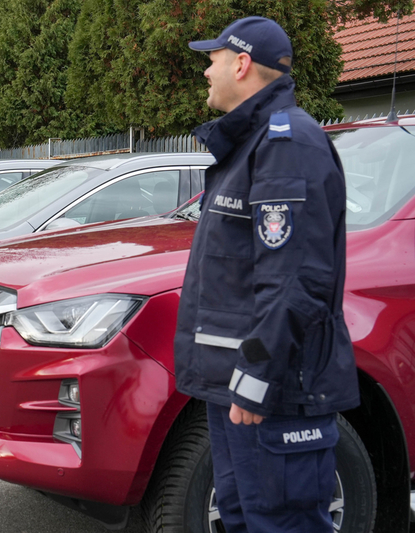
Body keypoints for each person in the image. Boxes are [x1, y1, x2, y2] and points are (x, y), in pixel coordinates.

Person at [173, 17, 359, 532]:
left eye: (213, 58)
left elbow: (297, 279)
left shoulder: (286, 144)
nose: (206, 70)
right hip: (233, 388)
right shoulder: (249, 145)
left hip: (272, 393)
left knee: (280, 523)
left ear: (241, 63)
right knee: (240, 518)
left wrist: (256, 376)